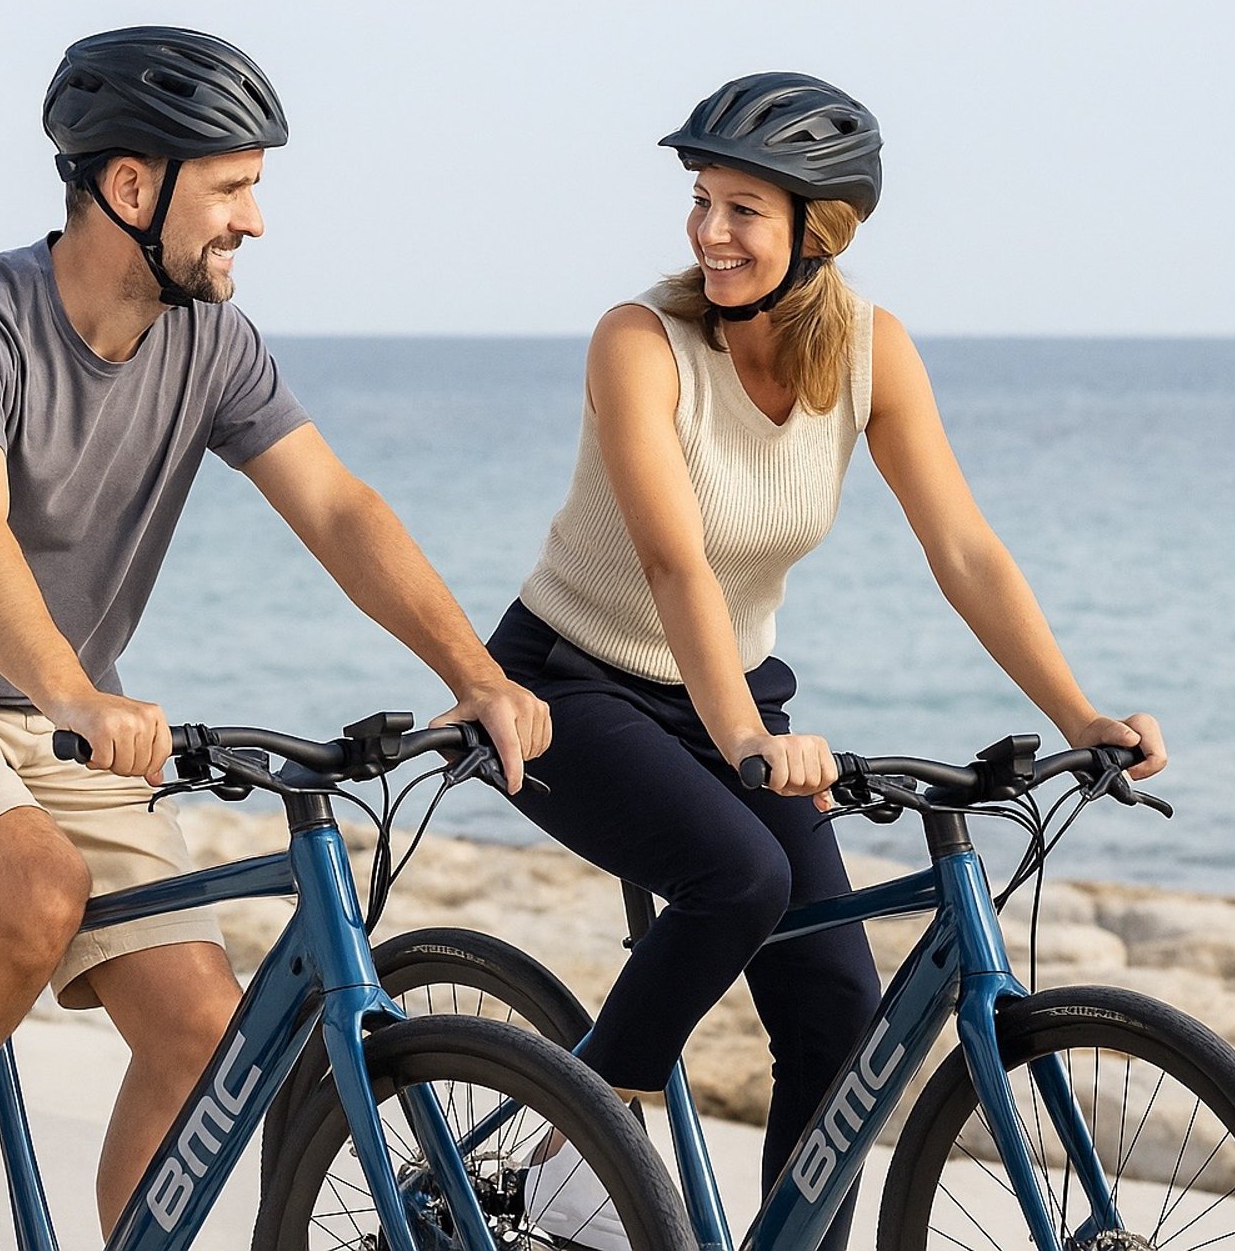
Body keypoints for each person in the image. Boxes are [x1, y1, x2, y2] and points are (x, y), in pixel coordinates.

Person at [0, 26, 549, 1251]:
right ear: (132, 187)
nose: (255, 221)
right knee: (36, 892)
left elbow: (338, 508)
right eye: (231, 188)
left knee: (204, 1029)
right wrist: (77, 694)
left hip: (56, 715)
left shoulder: (213, 342)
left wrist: (476, 675)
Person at [497, 73, 1167, 1251]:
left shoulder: (870, 351)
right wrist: (748, 742)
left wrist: (1079, 713)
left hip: (733, 690)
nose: (708, 231)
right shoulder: (639, 342)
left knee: (840, 1009)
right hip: (569, 679)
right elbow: (672, 560)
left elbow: (963, 548)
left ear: (823, 230)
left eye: (742, 209)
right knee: (739, 876)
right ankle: (572, 1151)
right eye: (702, 200)